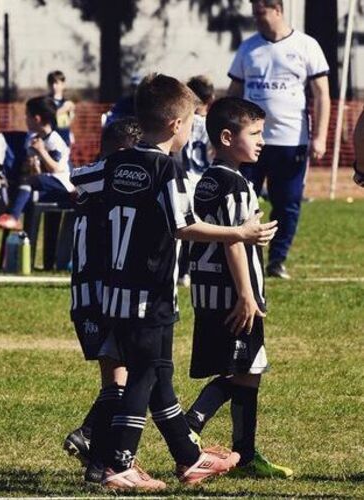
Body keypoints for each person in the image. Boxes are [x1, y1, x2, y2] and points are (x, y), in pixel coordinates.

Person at [90, 74, 277, 491]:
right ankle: (117, 461)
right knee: (145, 376)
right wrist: (238, 234)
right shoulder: (167, 167)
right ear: (176, 125)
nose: (193, 129)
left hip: (115, 293)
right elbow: (184, 225)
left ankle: (188, 457)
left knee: (159, 375)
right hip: (151, 294)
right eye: (192, 121)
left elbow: (81, 183)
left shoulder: (119, 160)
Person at [184, 97, 293, 479]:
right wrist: (247, 295)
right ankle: (187, 432)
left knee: (249, 369)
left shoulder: (211, 178)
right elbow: (232, 241)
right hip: (233, 295)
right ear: (227, 137)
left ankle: (244, 455)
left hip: (211, 292)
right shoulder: (232, 184)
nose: (262, 140)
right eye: (256, 133)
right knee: (239, 371)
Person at [227, 0, 330, 279]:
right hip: (249, 144)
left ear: (278, 10)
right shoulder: (248, 48)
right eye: (254, 14)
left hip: (291, 141)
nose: (257, 19)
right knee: (243, 201)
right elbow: (234, 91)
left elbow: (321, 93)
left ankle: (277, 260)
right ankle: (244, 253)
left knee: (288, 203)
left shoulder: (306, 46)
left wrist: (319, 137)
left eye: (261, 14)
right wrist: (225, 131)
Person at [63, 118, 141, 477]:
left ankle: (96, 453)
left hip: (86, 295)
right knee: (124, 379)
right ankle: (96, 445)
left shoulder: (95, 182)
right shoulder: (109, 175)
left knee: (118, 378)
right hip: (101, 295)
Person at [0, 96, 72, 230]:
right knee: (26, 183)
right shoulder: (34, 140)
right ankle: (23, 231)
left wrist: (42, 152)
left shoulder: (54, 140)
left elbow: (56, 170)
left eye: (27, 116)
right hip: (48, 185)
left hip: (64, 185)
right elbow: (40, 173)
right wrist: (33, 165)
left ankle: (13, 217)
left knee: (28, 181)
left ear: (37, 119)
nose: (25, 120)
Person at [178, 75, 215, 287]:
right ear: (209, 99)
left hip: (182, 180)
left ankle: (181, 270)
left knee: (180, 229)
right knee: (199, 229)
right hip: (203, 181)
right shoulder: (212, 124)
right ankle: (190, 270)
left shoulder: (181, 124)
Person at [47, 70, 75, 146]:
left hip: (65, 139)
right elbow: (47, 117)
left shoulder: (67, 102)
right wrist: (63, 109)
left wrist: (71, 113)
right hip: (51, 140)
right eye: (51, 83)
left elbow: (68, 121)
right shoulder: (46, 101)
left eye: (56, 83)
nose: (54, 86)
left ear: (63, 84)